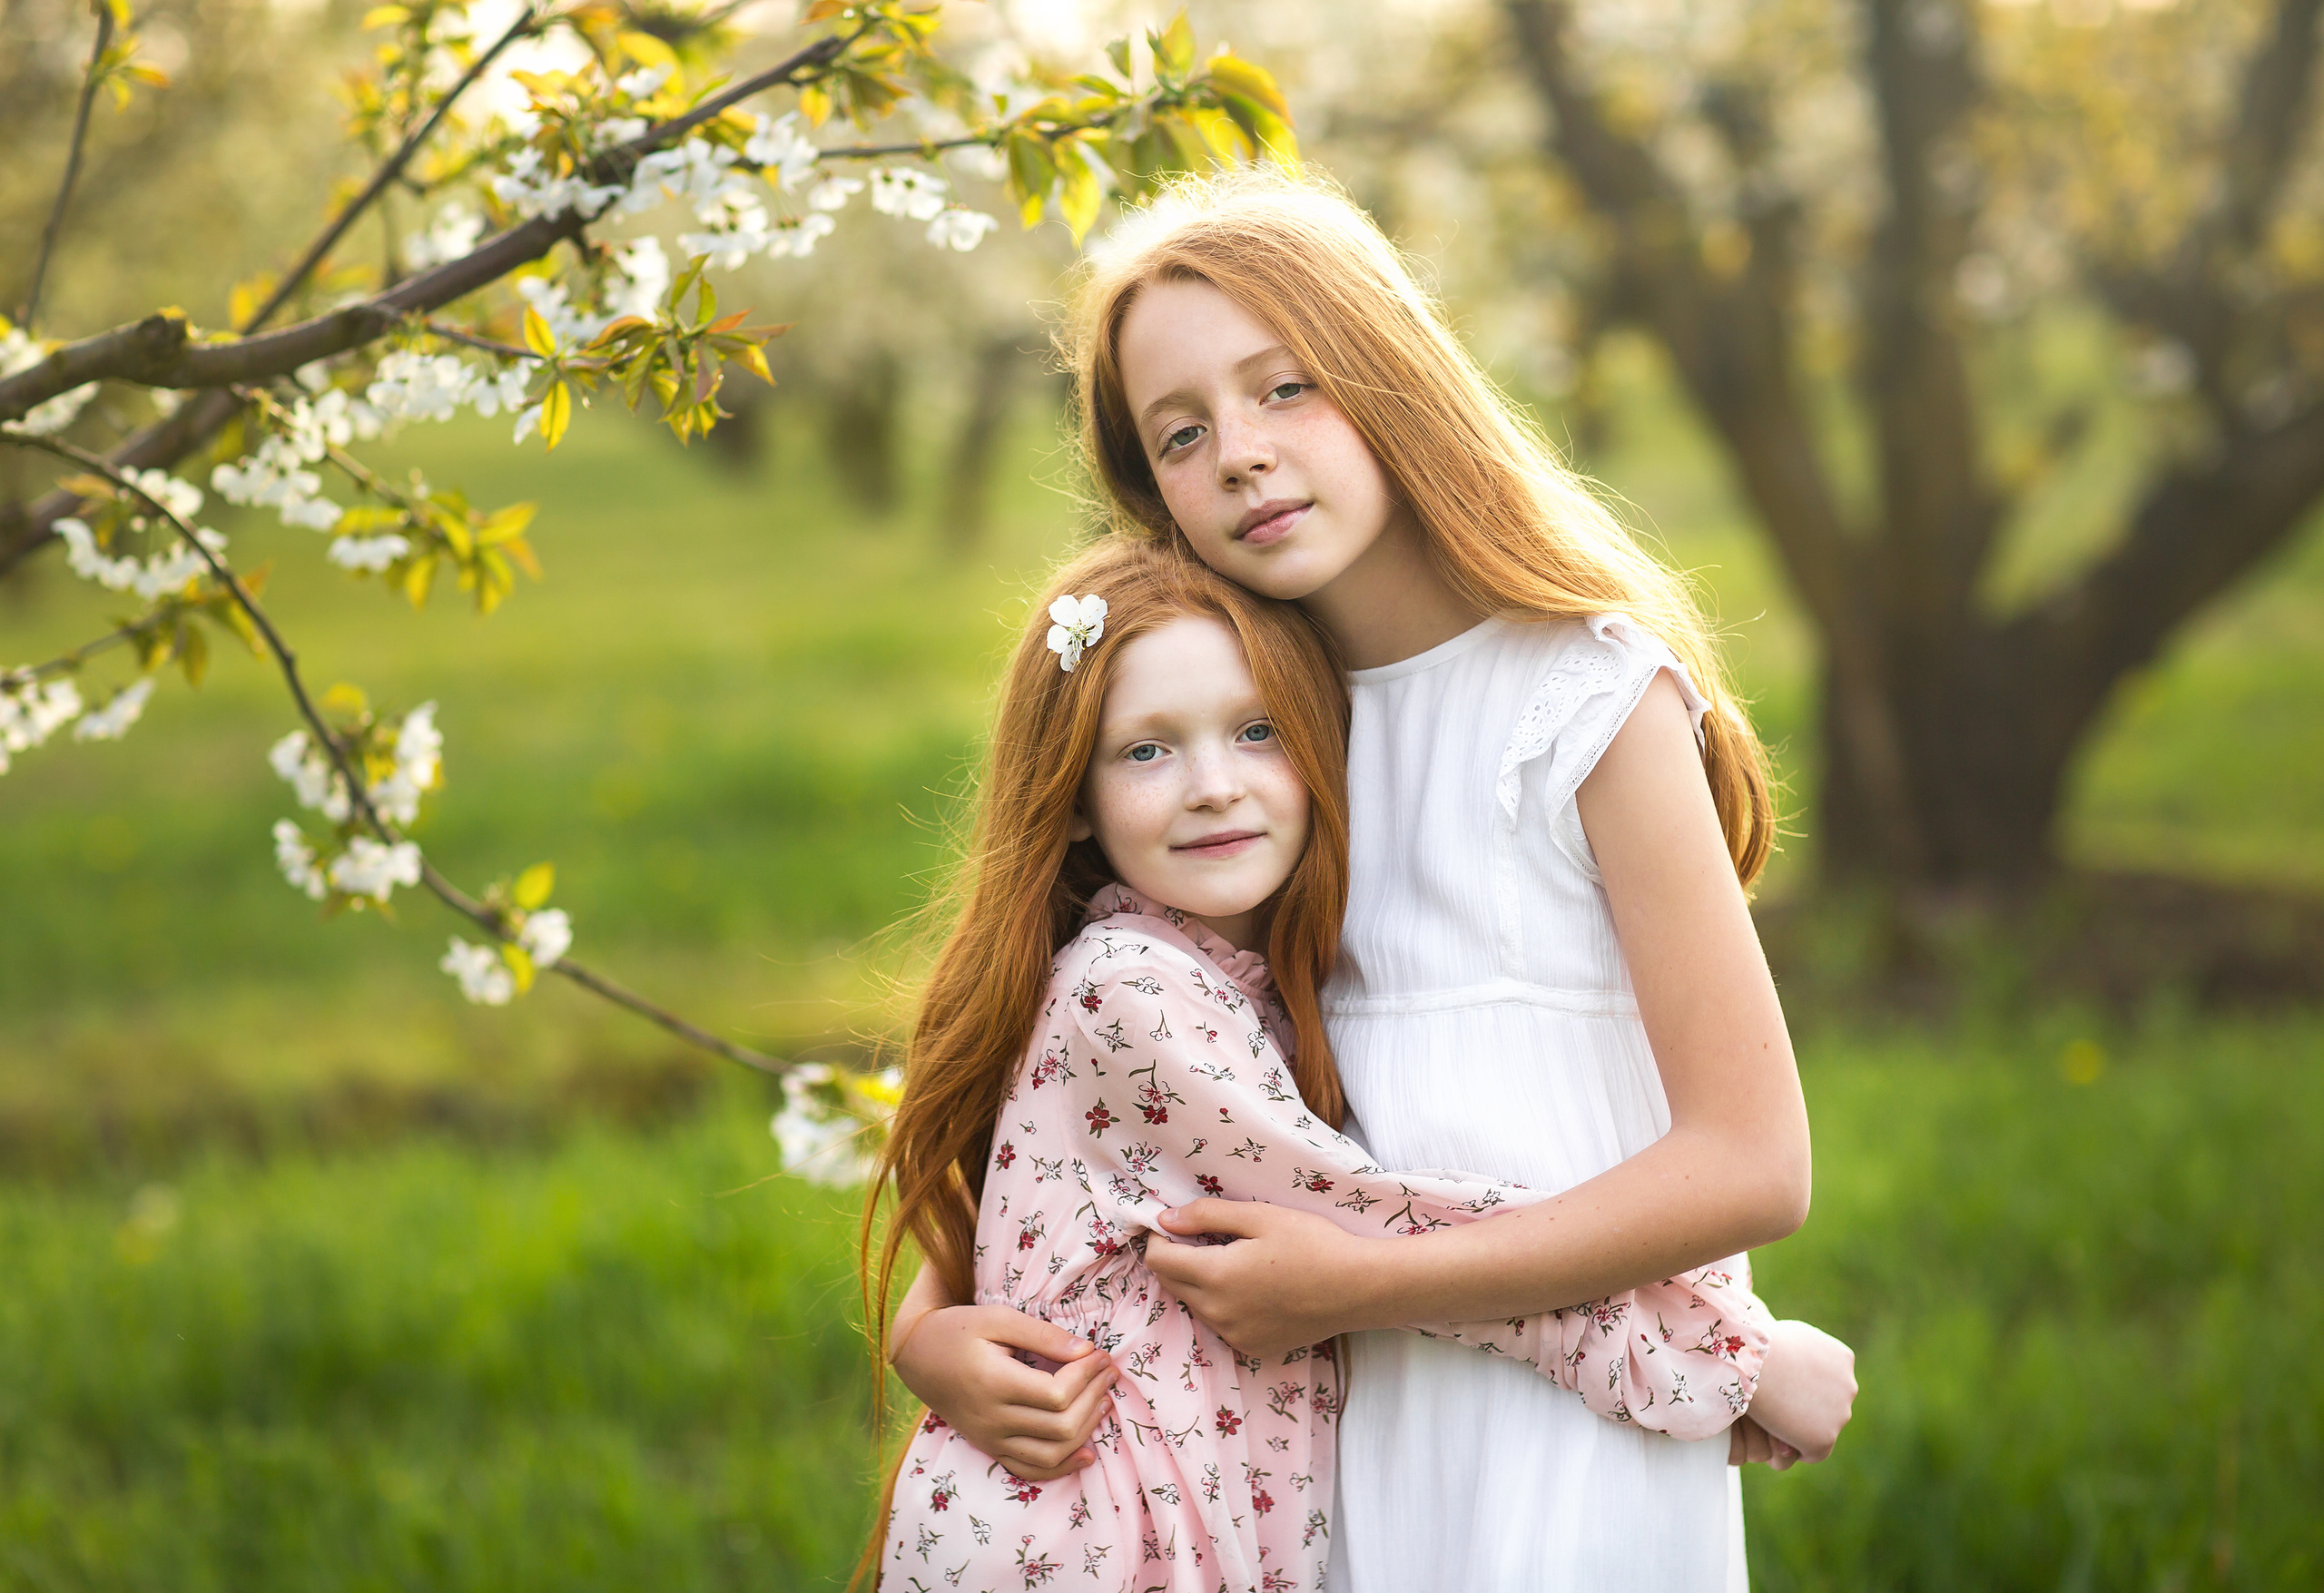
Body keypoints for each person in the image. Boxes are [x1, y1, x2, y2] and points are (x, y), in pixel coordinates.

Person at [890, 168, 1858, 1591]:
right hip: (1309, 1429)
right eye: (1183, 431)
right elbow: (1094, 1085)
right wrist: (937, 1324)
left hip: (1559, 1409)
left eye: (1287, 389)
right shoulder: (1244, 738)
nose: (1240, 454)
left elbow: (1754, 1161)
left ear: (1389, 372)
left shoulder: (1585, 697)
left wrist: (1368, 1282)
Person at [864, 541, 1806, 1593]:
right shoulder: (1130, 992)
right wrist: (1737, 1358)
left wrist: (923, 1326)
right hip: (1098, 1539)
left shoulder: (1225, 975)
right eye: (1145, 752)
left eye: (1256, 731)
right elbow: (1373, 1229)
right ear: (1073, 796)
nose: (1213, 787)